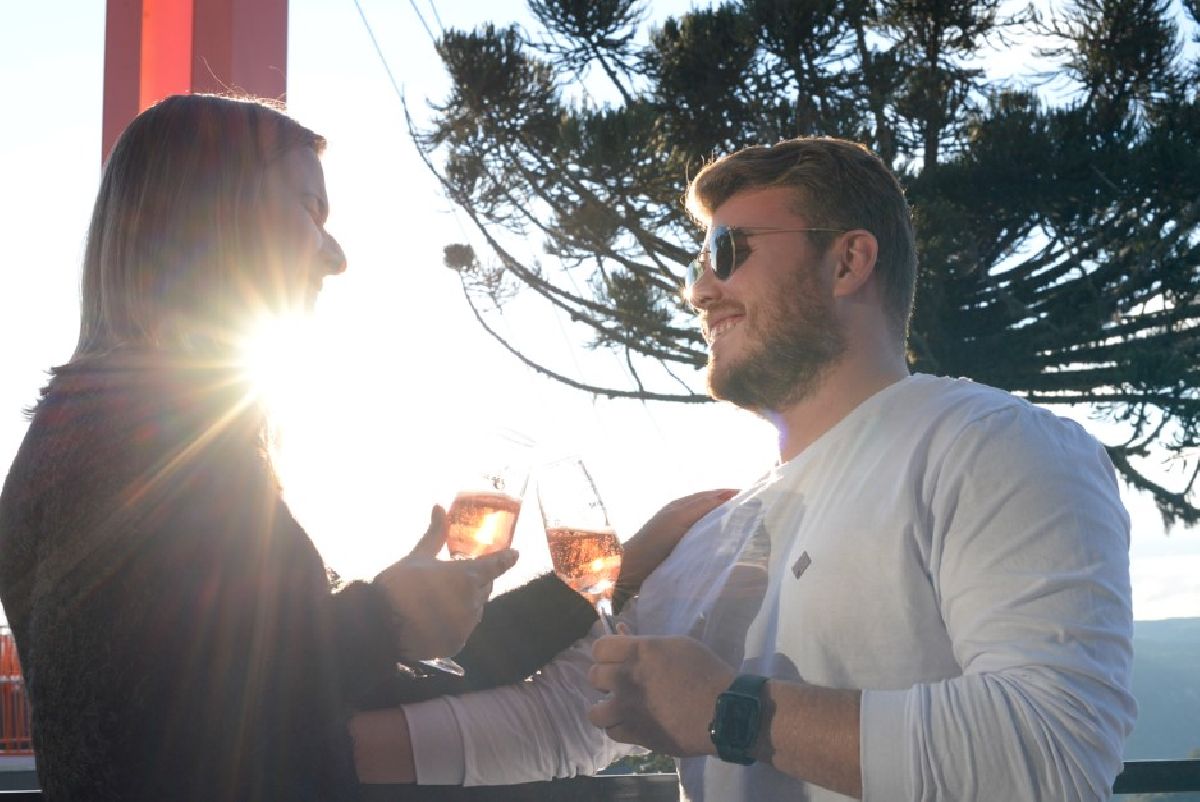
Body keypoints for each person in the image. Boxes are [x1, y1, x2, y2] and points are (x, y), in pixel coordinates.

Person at [361, 137, 1137, 801]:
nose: (700, 290)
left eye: (727, 253)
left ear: (847, 261)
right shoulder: (713, 531)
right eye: (697, 262)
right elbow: (567, 714)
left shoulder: (994, 444)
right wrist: (294, 746)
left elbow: (1054, 752)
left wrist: (733, 710)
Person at [0, 93, 722, 802]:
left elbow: (327, 678)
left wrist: (612, 567)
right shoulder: (136, 445)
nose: (336, 256)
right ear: (207, 212)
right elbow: (183, 726)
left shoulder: (109, 434)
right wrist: (384, 618)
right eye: (309, 211)